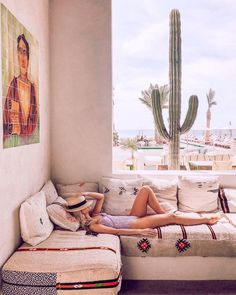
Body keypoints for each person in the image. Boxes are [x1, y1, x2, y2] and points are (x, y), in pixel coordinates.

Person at [65, 186, 223, 237]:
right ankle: (206, 220)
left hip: (131, 217)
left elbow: (100, 198)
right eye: (84, 203)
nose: (87, 204)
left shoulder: (93, 215)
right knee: (173, 216)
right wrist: (141, 231)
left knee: (145, 190)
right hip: (134, 223)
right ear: (80, 210)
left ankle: (165, 216)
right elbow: (117, 231)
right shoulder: (92, 225)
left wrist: (86, 194)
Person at [3, 34, 38, 140]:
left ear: (28, 57)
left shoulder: (32, 89)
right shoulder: (13, 85)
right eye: (20, 51)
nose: (23, 57)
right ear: (17, 55)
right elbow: (5, 121)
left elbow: (34, 121)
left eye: (25, 53)